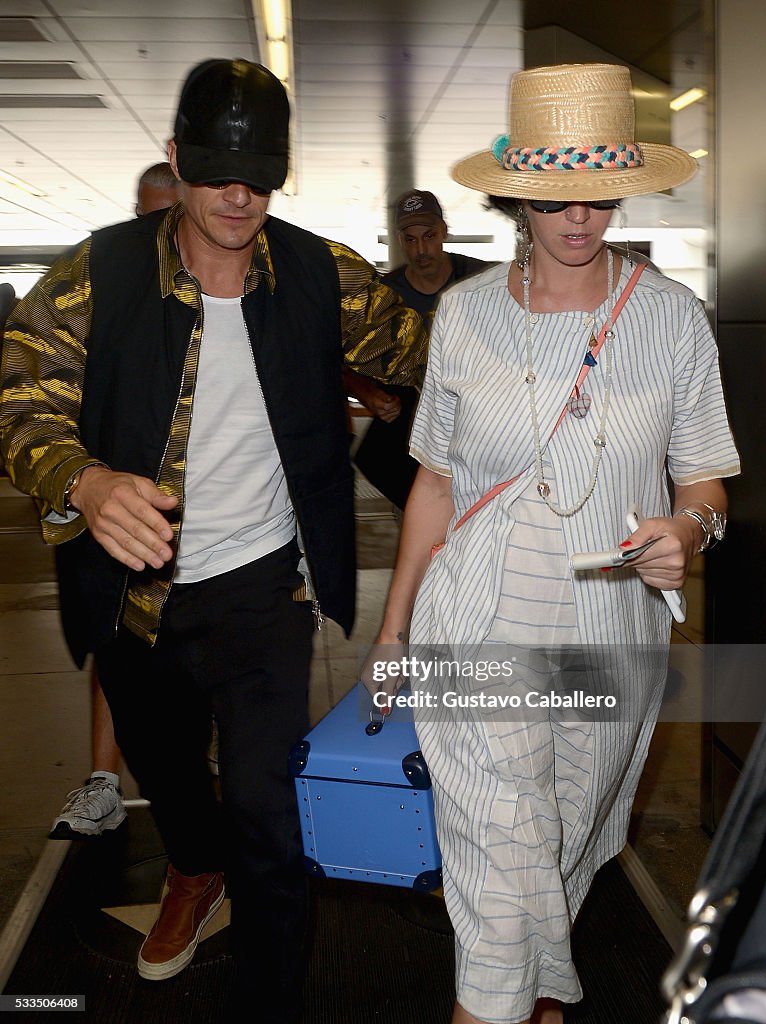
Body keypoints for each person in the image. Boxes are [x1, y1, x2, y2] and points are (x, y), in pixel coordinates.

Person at [0, 59, 426, 1019]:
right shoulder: (96, 273)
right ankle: (194, 868)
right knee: (165, 769)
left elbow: (436, 351)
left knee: (270, 814)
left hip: (262, 591)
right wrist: (84, 476)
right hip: (135, 589)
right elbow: (19, 396)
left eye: (261, 175)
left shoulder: (325, 275)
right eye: (215, 171)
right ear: (174, 161)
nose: (238, 195)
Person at [363, 63, 739, 1024]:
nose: (580, 217)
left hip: (606, 632)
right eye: (556, 195)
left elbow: (705, 480)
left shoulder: (673, 321)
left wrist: (684, 532)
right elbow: (437, 482)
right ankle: (497, 1001)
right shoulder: (467, 313)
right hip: (474, 619)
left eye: (599, 193)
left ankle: (538, 993)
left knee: (559, 838)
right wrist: (396, 627)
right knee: (496, 841)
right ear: (516, 194)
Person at [48, 162, 181, 841]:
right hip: (103, 508)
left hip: (190, 520)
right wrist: (77, 481)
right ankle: (103, 782)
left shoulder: (201, 295)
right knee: (111, 641)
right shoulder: (97, 284)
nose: (150, 230)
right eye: (142, 213)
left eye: (164, 215)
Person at [349, 190, 490, 509]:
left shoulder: (482, 281)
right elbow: (345, 363)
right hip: (414, 434)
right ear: (399, 240)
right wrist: (370, 396)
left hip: (474, 422)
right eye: (411, 240)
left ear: (444, 232)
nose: (421, 249)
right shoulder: (384, 298)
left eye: (429, 236)